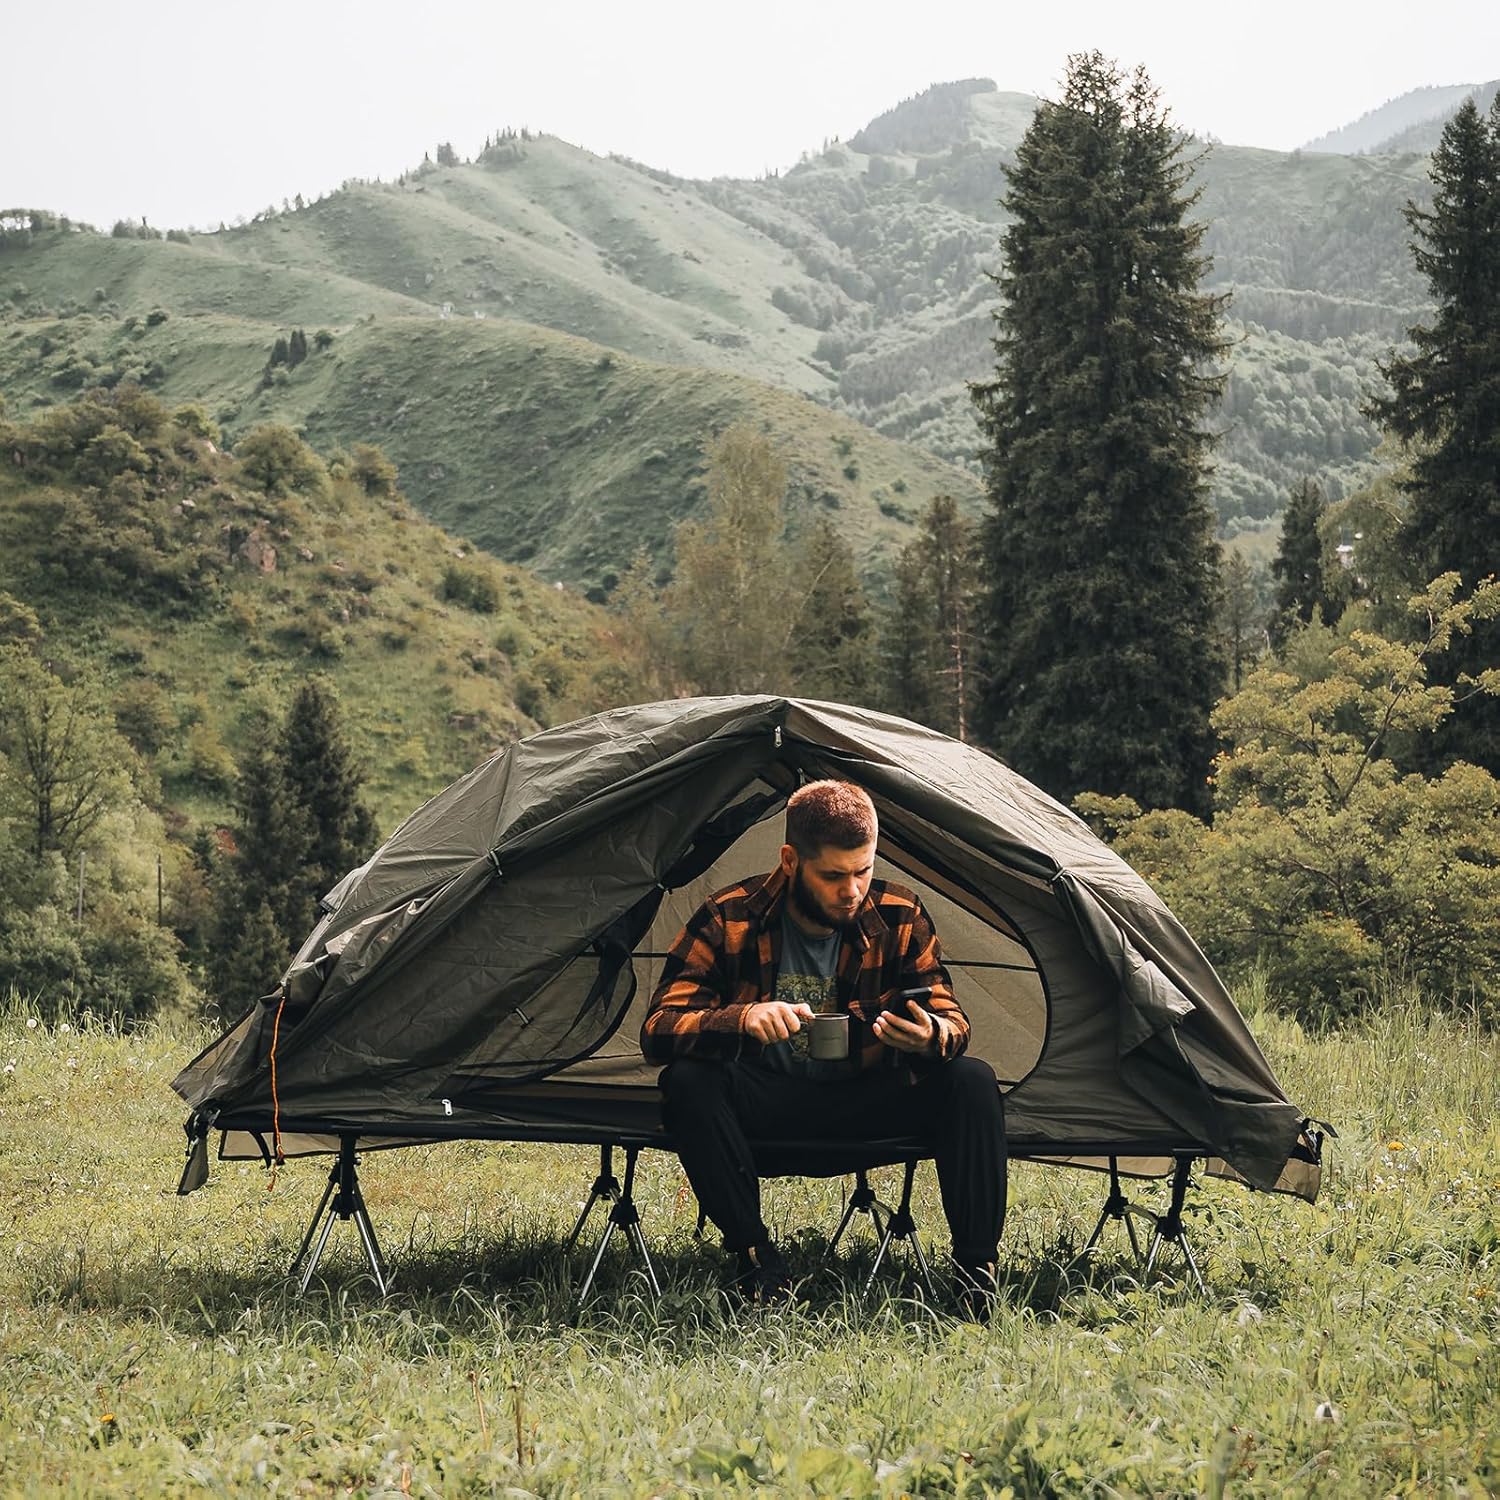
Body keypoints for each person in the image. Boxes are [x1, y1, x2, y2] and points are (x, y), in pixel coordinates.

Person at [641, 779, 1006, 1316]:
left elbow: (953, 1019)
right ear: (791, 861)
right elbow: (659, 1028)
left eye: (864, 871)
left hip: (867, 1100)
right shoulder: (729, 916)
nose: (853, 890)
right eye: (834, 876)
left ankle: (977, 1275)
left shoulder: (900, 915)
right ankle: (756, 1261)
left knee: (972, 1080)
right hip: (766, 1108)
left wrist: (929, 1036)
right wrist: (740, 1018)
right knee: (689, 1082)